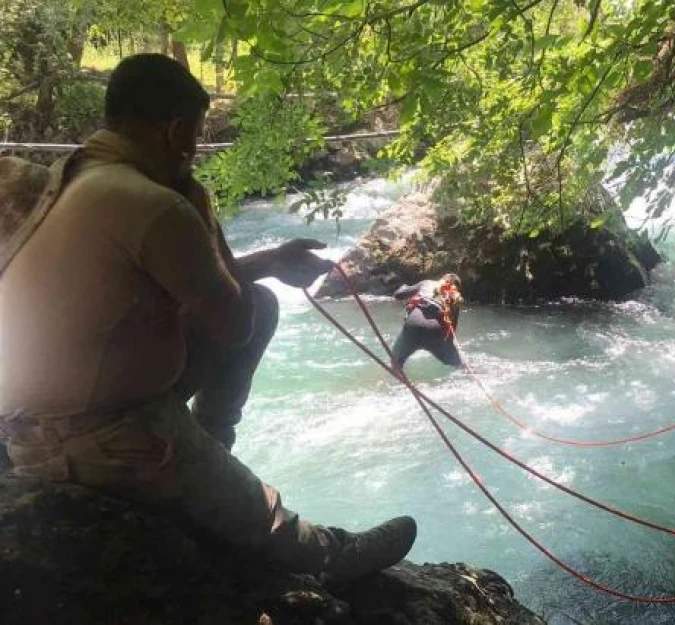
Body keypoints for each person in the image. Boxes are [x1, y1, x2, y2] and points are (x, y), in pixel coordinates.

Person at [0, 54, 416, 582]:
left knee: (263, 300)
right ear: (176, 131)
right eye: (194, 134)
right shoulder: (159, 204)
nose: (195, 150)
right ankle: (326, 553)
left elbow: (176, 277)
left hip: (30, 425)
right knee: (263, 522)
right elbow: (232, 325)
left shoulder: (75, 182)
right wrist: (203, 210)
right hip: (100, 434)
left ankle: (209, 446)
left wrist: (268, 262)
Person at [390, 273, 465, 372]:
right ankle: (469, 372)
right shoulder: (454, 299)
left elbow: (398, 295)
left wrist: (403, 287)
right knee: (460, 365)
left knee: (395, 362)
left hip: (413, 326)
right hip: (436, 332)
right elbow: (451, 334)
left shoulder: (426, 283)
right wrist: (452, 354)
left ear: (441, 280)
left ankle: (399, 381)